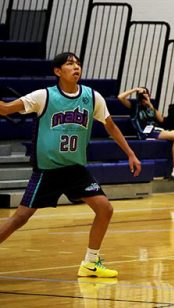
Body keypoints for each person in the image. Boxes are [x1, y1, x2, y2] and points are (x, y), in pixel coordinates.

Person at [0, 52, 142, 278]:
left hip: (76, 170)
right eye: (69, 64)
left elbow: (110, 126)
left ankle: (90, 263)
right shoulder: (44, 96)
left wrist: (130, 153)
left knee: (105, 209)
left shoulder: (91, 96)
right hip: (49, 170)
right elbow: (5, 109)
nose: (76, 67)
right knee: (20, 218)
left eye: (78, 64)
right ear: (58, 71)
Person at [118, 86, 174, 185]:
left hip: (157, 130)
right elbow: (120, 97)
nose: (143, 95)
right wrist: (135, 89)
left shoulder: (150, 106)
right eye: (141, 94)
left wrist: (150, 104)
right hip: (146, 133)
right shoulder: (134, 106)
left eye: (145, 93)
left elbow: (160, 119)